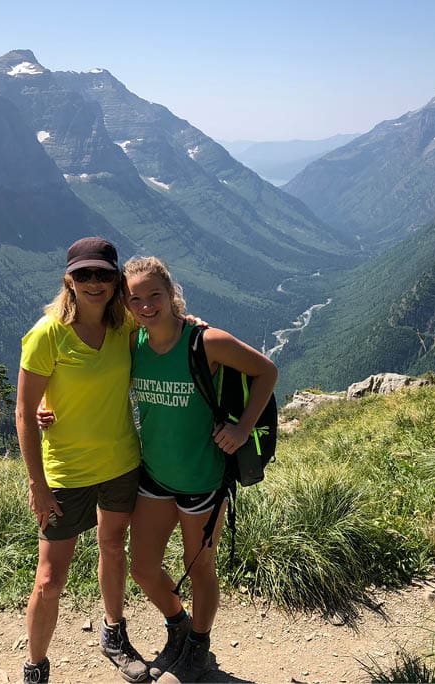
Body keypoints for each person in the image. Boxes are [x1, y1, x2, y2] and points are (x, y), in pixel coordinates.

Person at [124, 256, 278, 684]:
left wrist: (243, 427)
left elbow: (267, 371)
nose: (146, 306)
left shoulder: (205, 342)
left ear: (171, 293)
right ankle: (179, 624)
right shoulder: (131, 343)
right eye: (135, 299)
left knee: (201, 568)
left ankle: (198, 647)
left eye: (154, 295)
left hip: (203, 481)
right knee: (142, 568)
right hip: (154, 476)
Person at [16, 237, 149, 684]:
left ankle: (114, 633)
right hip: (66, 473)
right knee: (50, 578)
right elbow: (23, 410)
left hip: (120, 463)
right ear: (68, 280)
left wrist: (193, 323)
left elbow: (164, 324)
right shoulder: (46, 334)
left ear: (116, 281)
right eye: (84, 275)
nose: (95, 283)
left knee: (113, 548)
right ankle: (35, 664)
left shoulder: (126, 326)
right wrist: (37, 483)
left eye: (104, 274)